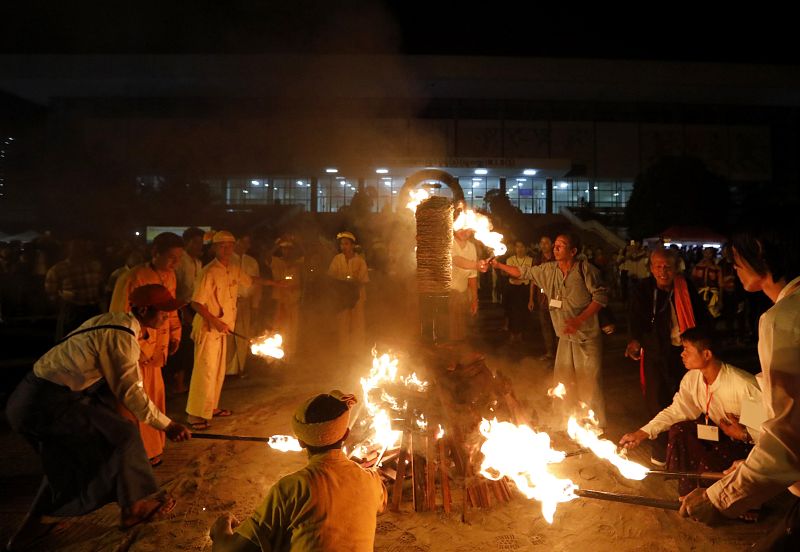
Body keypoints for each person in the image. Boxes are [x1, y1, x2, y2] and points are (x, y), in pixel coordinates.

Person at [5, 284, 192, 550]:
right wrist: (168, 425)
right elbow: (132, 393)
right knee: (123, 435)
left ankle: (34, 526)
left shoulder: (111, 321)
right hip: (45, 404)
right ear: (143, 310)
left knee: (68, 461)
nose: (167, 316)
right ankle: (134, 508)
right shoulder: (122, 338)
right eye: (163, 311)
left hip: (31, 399)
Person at [680, 216, 800, 551]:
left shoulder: (783, 320)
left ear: (759, 251)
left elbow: (789, 437)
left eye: (736, 258)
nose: (732, 266)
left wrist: (721, 498)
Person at [209, 390, 386, 551]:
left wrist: (221, 528)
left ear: (300, 442)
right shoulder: (372, 480)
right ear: (346, 434)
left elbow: (232, 550)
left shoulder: (291, 487)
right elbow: (379, 502)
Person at [620, 327, 761, 497]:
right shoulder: (693, 378)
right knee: (680, 431)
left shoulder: (743, 386)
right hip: (720, 434)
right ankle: (687, 495)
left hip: (749, 445)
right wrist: (641, 433)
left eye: (687, 349)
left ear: (706, 354)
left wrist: (743, 435)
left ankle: (728, 500)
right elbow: (677, 410)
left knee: (709, 464)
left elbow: (770, 432)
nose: (682, 354)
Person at [492, 232, 609, 428]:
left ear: (573, 251)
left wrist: (579, 320)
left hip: (587, 338)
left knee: (589, 382)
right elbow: (523, 272)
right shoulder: (548, 270)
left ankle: (593, 424)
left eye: (561, 245)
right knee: (563, 379)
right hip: (565, 338)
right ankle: (566, 419)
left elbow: (601, 298)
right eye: (555, 245)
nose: (555, 248)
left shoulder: (586, 270)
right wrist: (498, 265)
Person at [186, 231, 280, 430]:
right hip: (208, 329)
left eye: (230, 246)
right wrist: (215, 321)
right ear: (214, 248)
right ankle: (194, 416)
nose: (227, 249)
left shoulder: (233, 268)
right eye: (222, 246)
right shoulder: (209, 272)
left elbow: (250, 280)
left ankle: (210, 408)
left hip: (222, 329)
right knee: (205, 372)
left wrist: (274, 283)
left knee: (218, 372)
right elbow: (196, 303)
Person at [625, 248, 710, 467]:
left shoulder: (685, 286)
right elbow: (636, 319)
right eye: (658, 267)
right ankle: (661, 450)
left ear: (676, 268)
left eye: (668, 267)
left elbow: (701, 316)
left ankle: (685, 448)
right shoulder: (643, 289)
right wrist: (635, 340)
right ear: (651, 268)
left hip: (683, 353)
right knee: (657, 400)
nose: (663, 272)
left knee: (687, 399)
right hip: (655, 352)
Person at [109, 232, 184, 466]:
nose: (175, 263)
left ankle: (152, 447)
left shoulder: (170, 275)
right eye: (171, 257)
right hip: (137, 352)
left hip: (157, 351)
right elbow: (120, 317)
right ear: (155, 253)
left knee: (154, 398)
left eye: (179, 259)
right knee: (134, 401)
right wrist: (139, 349)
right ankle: (136, 453)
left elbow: (170, 309)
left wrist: (174, 333)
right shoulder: (133, 278)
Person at [44, 238, 105, 340]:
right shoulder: (58, 269)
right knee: (82, 340)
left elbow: (51, 294)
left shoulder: (95, 266)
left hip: (86, 310)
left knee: (79, 341)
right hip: (77, 310)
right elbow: (51, 294)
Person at [171, 226, 206, 394]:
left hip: (195, 307)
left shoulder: (198, 263)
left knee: (192, 344)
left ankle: (189, 381)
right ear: (187, 242)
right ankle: (178, 383)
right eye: (196, 242)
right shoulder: (180, 262)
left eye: (201, 242)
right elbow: (175, 289)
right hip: (181, 308)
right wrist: (183, 312)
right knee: (183, 344)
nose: (199, 246)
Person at [327, 231, 369, 357]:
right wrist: (342, 286)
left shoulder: (360, 261)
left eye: (346, 244)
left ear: (352, 245)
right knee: (343, 325)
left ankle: (357, 353)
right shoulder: (337, 259)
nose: (343, 246)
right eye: (341, 244)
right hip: (342, 298)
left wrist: (353, 285)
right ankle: (344, 353)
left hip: (357, 297)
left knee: (358, 325)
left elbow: (363, 280)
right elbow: (331, 276)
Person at [226, 232, 262, 377]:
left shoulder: (252, 262)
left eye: (249, 243)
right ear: (237, 242)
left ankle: (240, 369)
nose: (247, 246)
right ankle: (226, 369)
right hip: (228, 303)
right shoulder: (228, 260)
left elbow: (256, 284)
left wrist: (255, 305)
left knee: (243, 336)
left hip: (245, 303)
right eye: (244, 242)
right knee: (228, 336)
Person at [269, 237, 304, 361]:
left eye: (289, 249)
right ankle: (276, 354)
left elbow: (306, 255)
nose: (287, 251)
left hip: (293, 301)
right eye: (284, 249)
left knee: (293, 328)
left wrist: (296, 240)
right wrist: (278, 243)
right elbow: (266, 257)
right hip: (279, 301)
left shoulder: (298, 263)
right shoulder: (276, 262)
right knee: (278, 326)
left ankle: (290, 355)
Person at [450, 227, 480, 341]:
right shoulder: (448, 242)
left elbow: (472, 276)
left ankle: (458, 349)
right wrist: (477, 265)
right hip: (445, 294)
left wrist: (474, 300)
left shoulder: (471, 247)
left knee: (460, 332)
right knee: (446, 330)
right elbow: (456, 260)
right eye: (461, 228)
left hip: (462, 295)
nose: (464, 232)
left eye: (467, 229)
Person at [503, 239, 534, 343]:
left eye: (522, 247)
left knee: (523, 311)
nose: (519, 249)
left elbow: (531, 277)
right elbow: (511, 274)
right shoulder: (510, 260)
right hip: (512, 289)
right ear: (515, 248)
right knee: (512, 311)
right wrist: (522, 276)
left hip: (524, 289)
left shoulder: (530, 260)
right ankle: (512, 334)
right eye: (517, 247)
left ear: (526, 248)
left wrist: (531, 298)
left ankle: (520, 334)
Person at [533, 235, 557, 361]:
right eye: (541, 243)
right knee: (545, 325)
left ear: (552, 245)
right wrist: (531, 298)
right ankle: (549, 352)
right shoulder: (537, 259)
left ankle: (560, 352)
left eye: (546, 242)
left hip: (556, 297)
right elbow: (533, 279)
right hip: (542, 297)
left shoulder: (557, 257)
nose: (543, 245)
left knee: (558, 324)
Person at [691, 247, 723, 318]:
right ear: (703, 253)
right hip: (699, 293)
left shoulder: (717, 268)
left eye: (710, 253)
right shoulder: (697, 267)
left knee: (712, 314)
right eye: (706, 253)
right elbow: (692, 281)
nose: (707, 255)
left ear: (713, 254)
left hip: (713, 294)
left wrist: (720, 300)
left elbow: (721, 285)